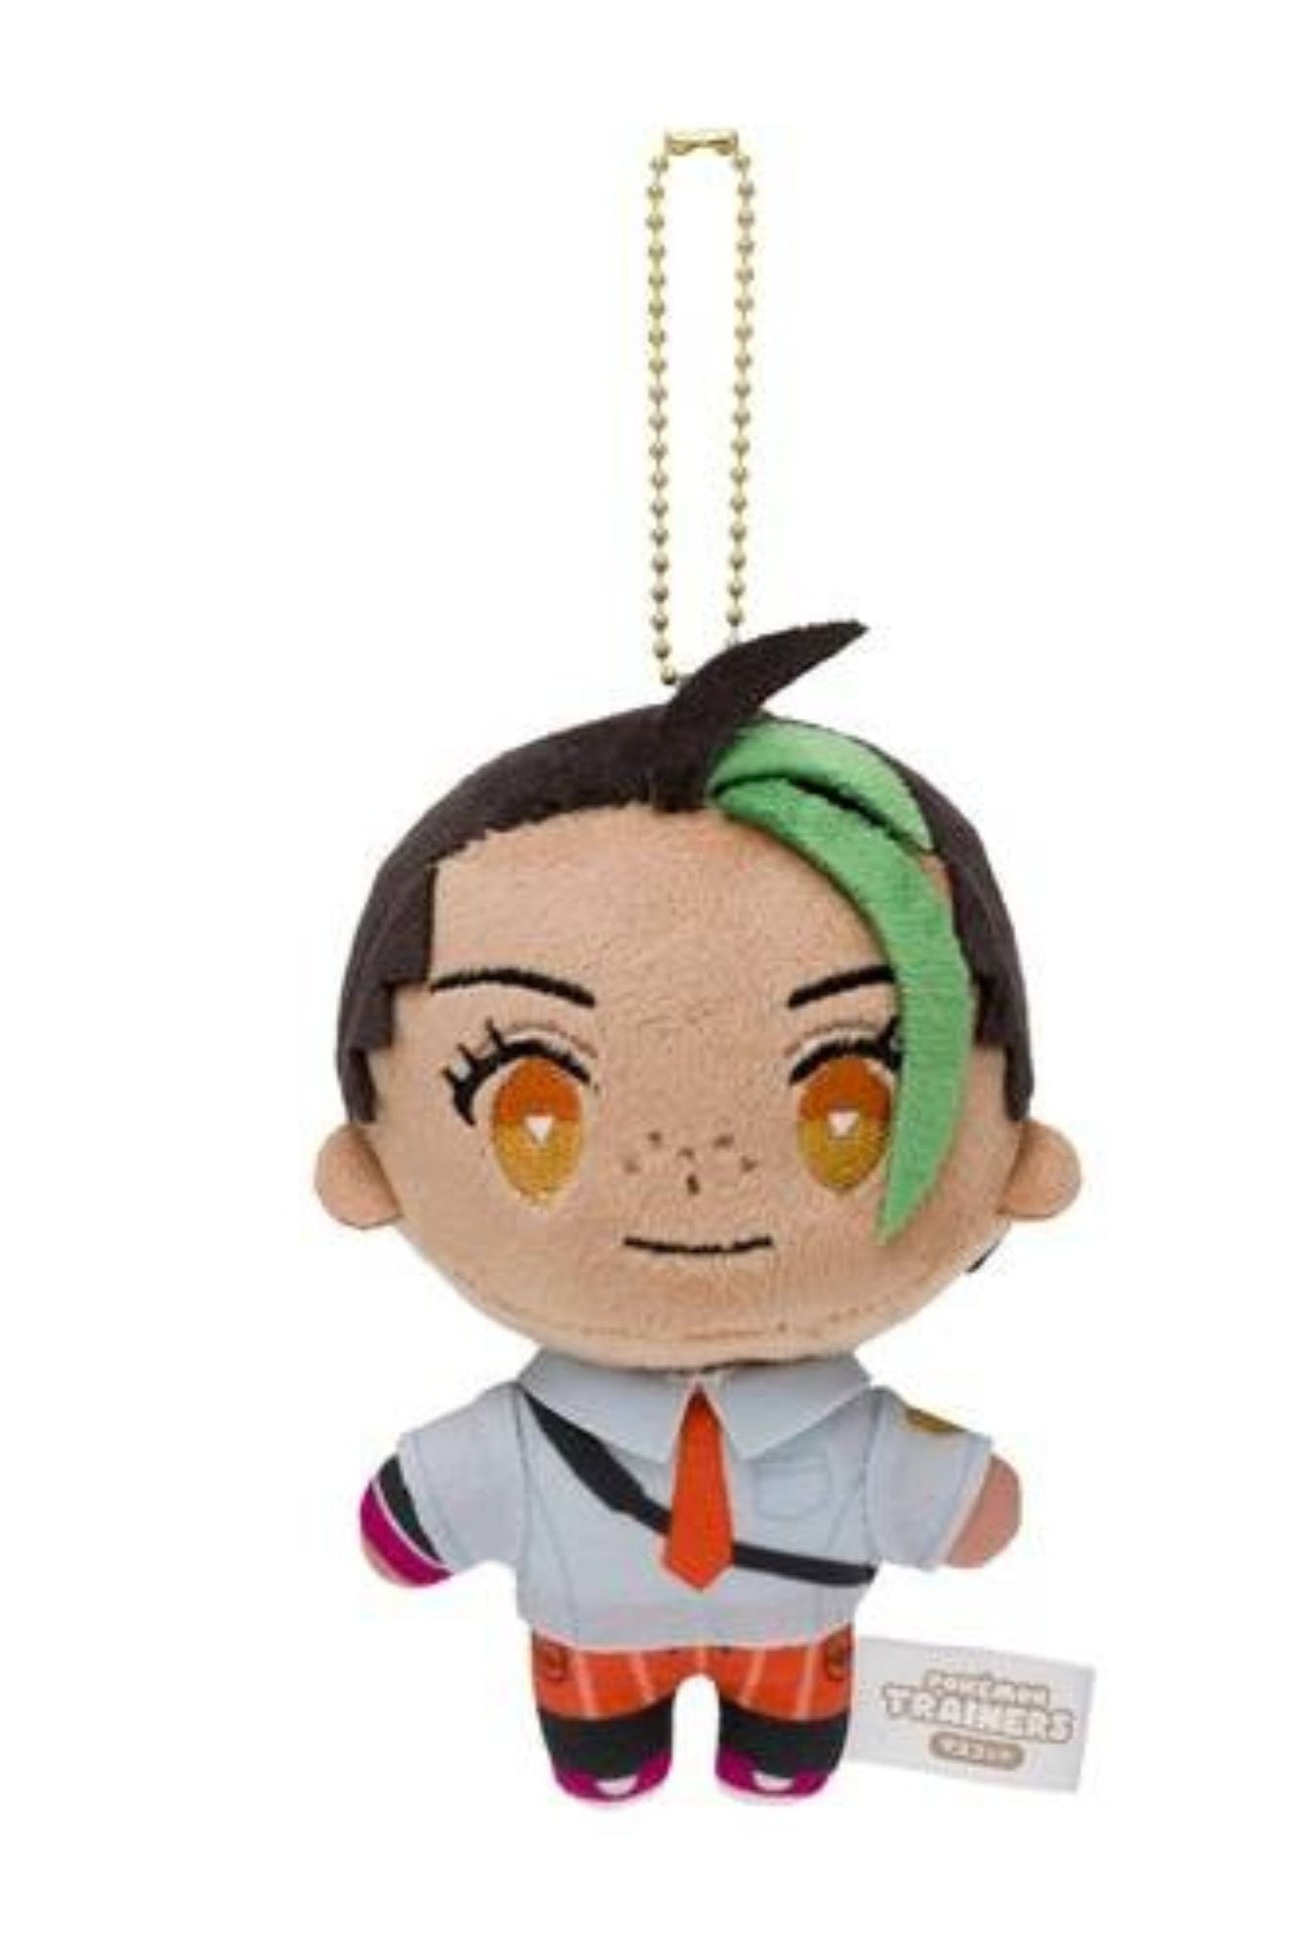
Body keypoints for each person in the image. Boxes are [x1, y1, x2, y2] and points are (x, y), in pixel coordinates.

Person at [317, 621, 1079, 1801]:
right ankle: (616, 1750)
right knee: (601, 1754)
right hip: (593, 1647)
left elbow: (399, 1536)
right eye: (534, 1108)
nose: (689, 1169)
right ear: (369, 1168)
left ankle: (772, 1747)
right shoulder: (534, 1435)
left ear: (1016, 1163)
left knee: (786, 1748)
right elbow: (409, 1525)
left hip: (793, 1644)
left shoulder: (829, 1428)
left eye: (845, 1105)